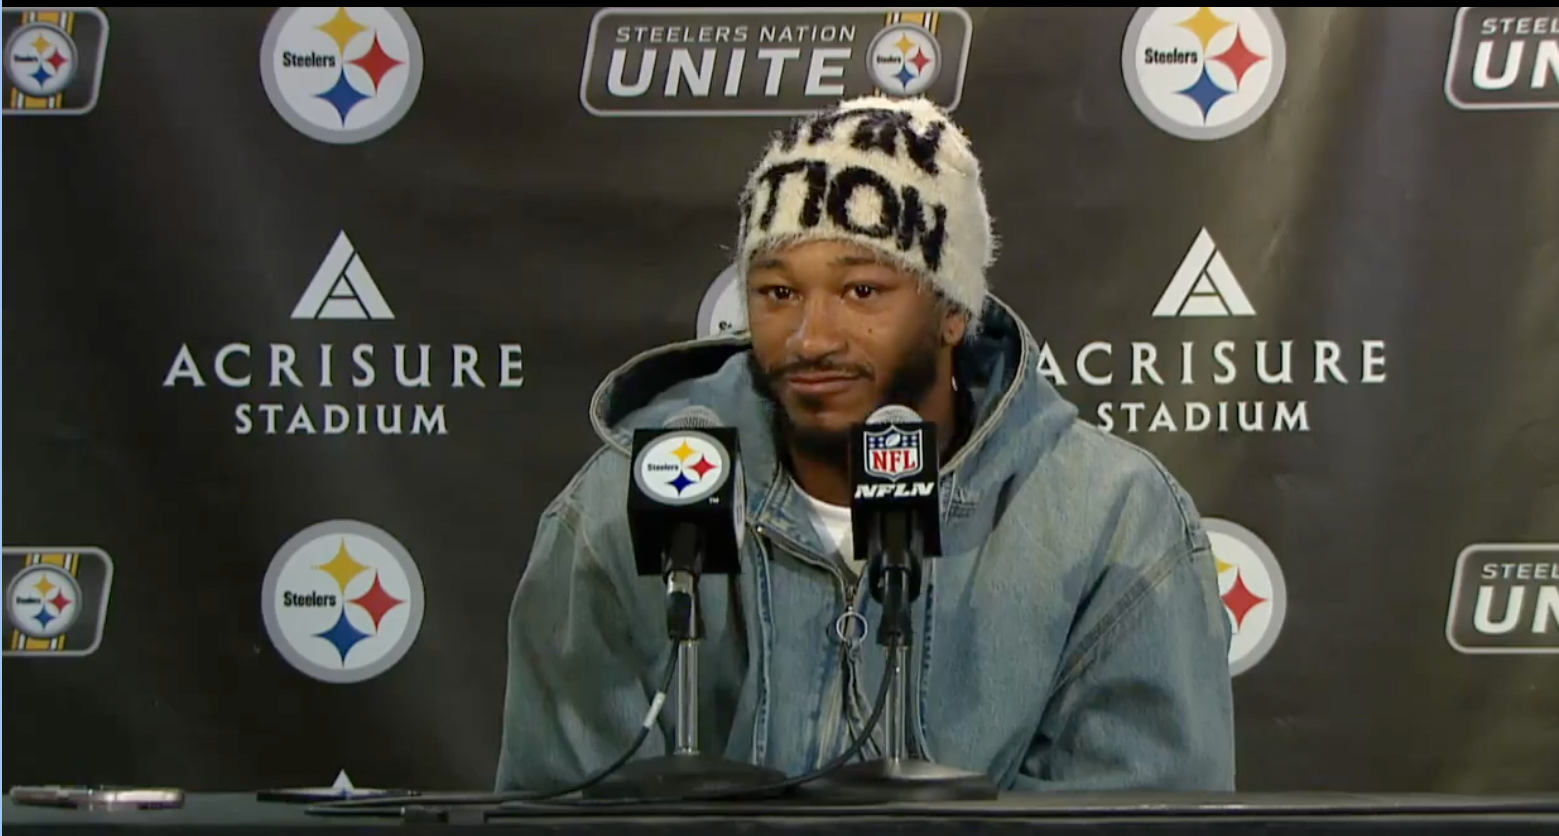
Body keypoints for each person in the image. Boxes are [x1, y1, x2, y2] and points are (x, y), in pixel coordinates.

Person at [495, 95, 1235, 793]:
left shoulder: (1109, 518)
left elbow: (1134, 818)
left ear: (952, 312)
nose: (810, 339)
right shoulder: (627, 498)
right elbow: (563, 810)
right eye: (778, 293)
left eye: (861, 292)